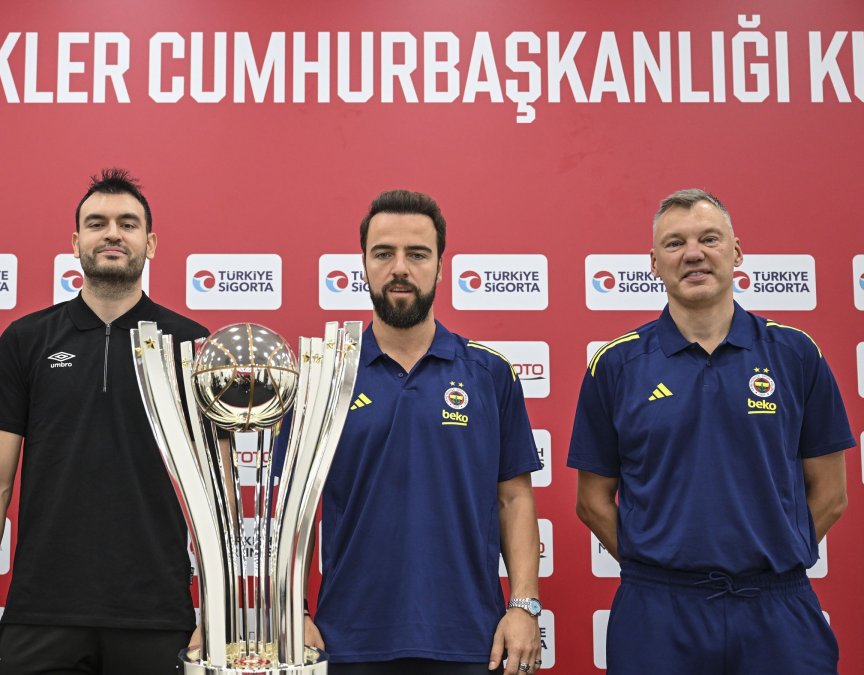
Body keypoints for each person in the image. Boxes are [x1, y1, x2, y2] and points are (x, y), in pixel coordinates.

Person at [568, 189, 853, 675]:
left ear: (737, 252)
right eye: (675, 244)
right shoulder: (615, 364)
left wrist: (777, 551)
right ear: (654, 263)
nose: (693, 253)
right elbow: (592, 500)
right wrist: (654, 566)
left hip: (777, 606)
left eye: (709, 238)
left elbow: (831, 493)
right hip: (658, 612)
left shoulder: (796, 354)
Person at [0, 168, 209, 675]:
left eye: (127, 223)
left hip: (156, 615)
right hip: (42, 613)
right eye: (97, 223)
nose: (112, 233)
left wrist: (216, 614)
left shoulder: (192, 345)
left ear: (150, 243)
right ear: (76, 242)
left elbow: (215, 493)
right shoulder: (26, 340)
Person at [303, 189, 544, 675]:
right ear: (364, 265)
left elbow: (513, 500)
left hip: (471, 638)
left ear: (440, 266)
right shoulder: (325, 377)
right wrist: (295, 612)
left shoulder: (490, 374)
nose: (400, 268)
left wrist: (524, 606)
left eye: (417, 254)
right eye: (383, 253)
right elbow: (297, 511)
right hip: (348, 639)